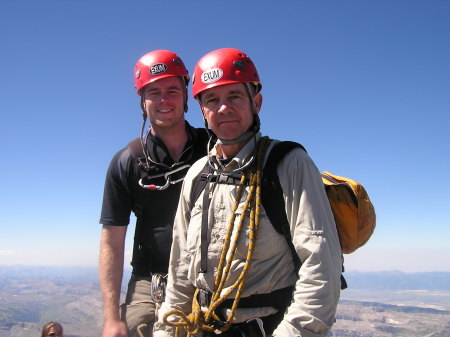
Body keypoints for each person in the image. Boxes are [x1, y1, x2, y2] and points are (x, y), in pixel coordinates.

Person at [153, 48, 342, 337]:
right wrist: (167, 330)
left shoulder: (288, 163)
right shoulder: (197, 175)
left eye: (234, 97)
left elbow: (321, 263)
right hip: (203, 326)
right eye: (212, 100)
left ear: (256, 102)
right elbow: (180, 265)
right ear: (202, 110)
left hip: (270, 328)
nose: (223, 108)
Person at [99, 50, 210, 337]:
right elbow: (112, 241)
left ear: (186, 97)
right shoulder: (127, 162)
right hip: (151, 284)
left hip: (210, 278)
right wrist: (112, 318)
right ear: (143, 102)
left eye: (173, 90)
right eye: (154, 92)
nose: (164, 99)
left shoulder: (214, 150)